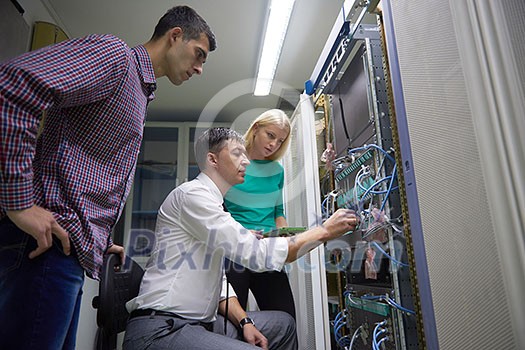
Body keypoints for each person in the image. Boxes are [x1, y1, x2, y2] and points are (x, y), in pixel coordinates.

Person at [0, 5, 216, 350]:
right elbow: (13, 86)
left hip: (68, 249)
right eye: (198, 54)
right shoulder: (115, 57)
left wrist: (99, 239)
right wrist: (19, 203)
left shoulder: (140, 91)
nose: (200, 68)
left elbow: (84, 170)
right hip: (44, 245)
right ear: (175, 35)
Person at [123, 127, 359, 350]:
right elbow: (257, 254)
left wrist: (246, 322)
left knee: (282, 324)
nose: (246, 161)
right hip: (162, 330)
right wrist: (325, 231)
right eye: (237, 154)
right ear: (212, 160)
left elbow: (221, 285)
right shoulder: (193, 196)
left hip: (196, 324)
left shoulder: (215, 206)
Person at [224, 109, 296, 319]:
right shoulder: (231, 161)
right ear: (256, 129)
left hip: (267, 250)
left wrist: (287, 237)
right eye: (271, 136)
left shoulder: (277, 171)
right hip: (235, 251)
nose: (274, 144)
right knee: (233, 324)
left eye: (280, 141)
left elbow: (278, 212)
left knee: (286, 318)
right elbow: (217, 209)